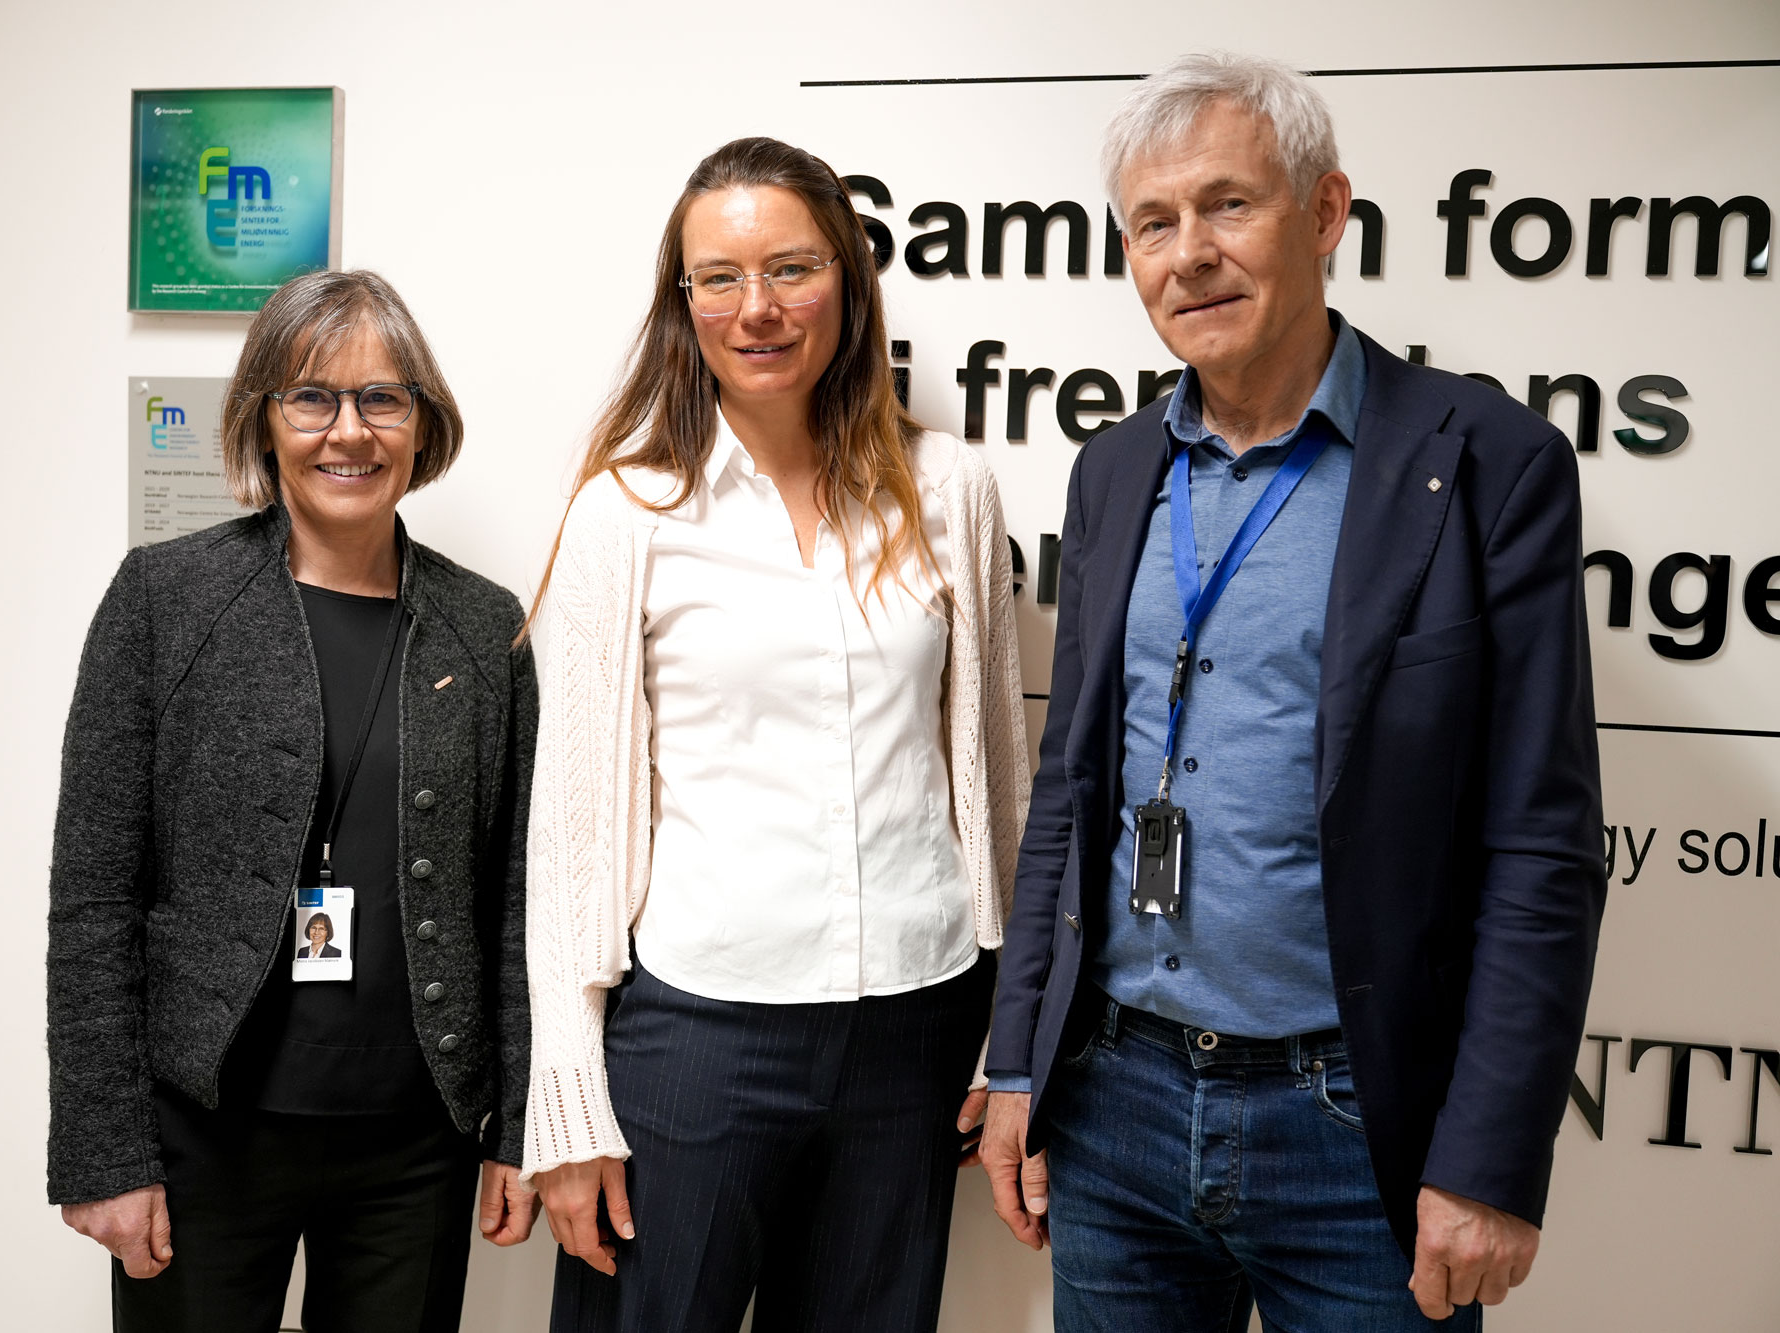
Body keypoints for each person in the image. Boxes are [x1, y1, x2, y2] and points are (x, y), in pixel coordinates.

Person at [979, 53, 1605, 1331]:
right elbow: (1069, 792)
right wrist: (1014, 1060)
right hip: (1113, 1107)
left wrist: (1483, 1162)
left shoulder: (1486, 464)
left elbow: (1541, 844)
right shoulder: (1111, 472)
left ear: (1323, 213)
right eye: (1152, 223)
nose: (1187, 253)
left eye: (1227, 205)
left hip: (1354, 1130)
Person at [522, 136, 1029, 1333]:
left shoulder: (948, 489)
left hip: (912, 1027)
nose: (757, 308)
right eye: (719, 278)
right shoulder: (627, 510)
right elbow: (572, 833)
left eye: (792, 268)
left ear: (849, 283)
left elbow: (997, 784)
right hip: (696, 1034)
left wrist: (1002, 1032)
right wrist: (567, 1095)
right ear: (681, 301)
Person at [47, 268, 539, 1332]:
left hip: (418, 1141)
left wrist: (516, 1129)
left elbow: (515, 901)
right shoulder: (164, 600)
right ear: (262, 419)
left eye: (382, 397)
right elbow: (93, 894)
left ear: (422, 425)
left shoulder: (484, 627)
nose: (347, 431)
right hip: (203, 1132)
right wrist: (102, 1147)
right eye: (311, 396)